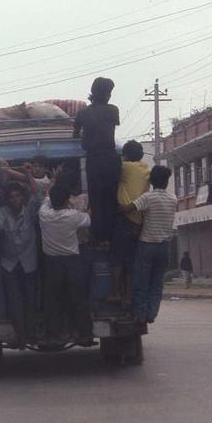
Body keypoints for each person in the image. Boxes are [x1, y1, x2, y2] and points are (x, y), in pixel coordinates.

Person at [121, 166, 177, 324]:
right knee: (156, 283)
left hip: (147, 245)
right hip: (164, 247)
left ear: (151, 180)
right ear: (167, 182)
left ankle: (140, 314)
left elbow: (128, 209)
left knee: (141, 281)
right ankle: (151, 313)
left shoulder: (148, 197)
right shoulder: (173, 199)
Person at [38, 183, 92, 342]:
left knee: (52, 300)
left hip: (51, 263)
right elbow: (88, 219)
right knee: (77, 298)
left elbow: (46, 199)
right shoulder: (73, 216)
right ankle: (84, 333)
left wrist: (51, 189)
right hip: (71, 262)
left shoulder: (44, 214)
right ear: (67, 200)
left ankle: (53, 334)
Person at [73, 77, 121, 245]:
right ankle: (110, 238)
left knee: (96, 199)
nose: (109, 96)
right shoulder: (113, 110)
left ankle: (97, 238)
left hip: (93, 160)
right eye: (109, 93)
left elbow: (75, 133)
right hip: (111, 160)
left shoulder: (83, 113)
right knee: (111, 199)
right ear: (105, 94)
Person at [0, 182, 41, 341]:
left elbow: (38, 196)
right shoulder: (3, 212)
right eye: (11, 197)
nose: (15, 199)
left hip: (28, 263)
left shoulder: (30, 211)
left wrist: (27, 176)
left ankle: (31, 333)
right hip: (10, 264)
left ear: (23, 198)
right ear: (7, 199)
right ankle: (21, 336)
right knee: (15, 301)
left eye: (18, 196)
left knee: (30, 300)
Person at [110, 140, 150, 306]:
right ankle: (128, 296)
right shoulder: (146, 169)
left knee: (117, 259)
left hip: (123, 218)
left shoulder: (125, 167)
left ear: (125, 156)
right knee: (131, 262)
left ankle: (115, 293)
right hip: (138, 221)